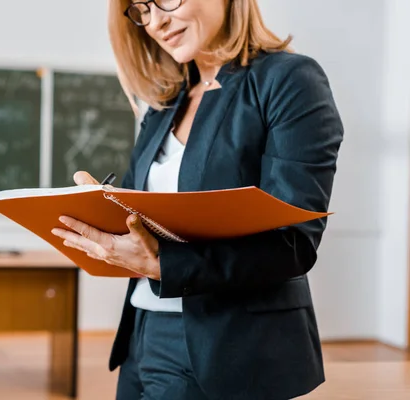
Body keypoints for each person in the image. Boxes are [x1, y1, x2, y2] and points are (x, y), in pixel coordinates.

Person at [51, 0, 344, 398]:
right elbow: (147, 216)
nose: (156, 22)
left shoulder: (289, 80)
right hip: (143, 332)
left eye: (166, 0)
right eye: (141, 9)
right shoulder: (166, 101)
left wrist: (161, 264)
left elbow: (294, 242)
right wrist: (102, 210)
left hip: (227, 347)